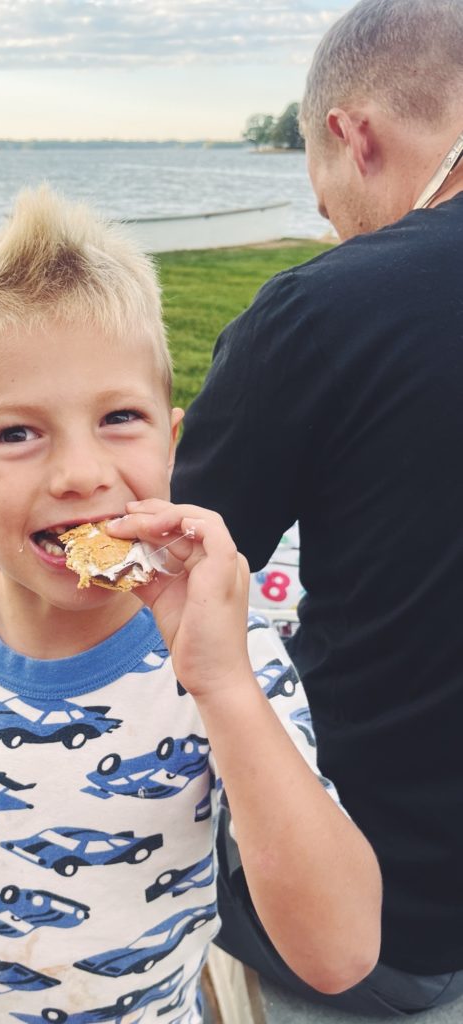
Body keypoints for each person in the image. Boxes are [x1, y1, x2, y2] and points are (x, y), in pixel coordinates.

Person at [0, 186, 381, 1024]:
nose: (80, 472)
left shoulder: (230, 651)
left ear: (172, 443)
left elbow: (341, 953)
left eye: (118, 417)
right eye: (16, 433)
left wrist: (221, 687)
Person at [171, 0, 463, 1014]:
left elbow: (178, 575)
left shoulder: (318, 312)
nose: (332, 218)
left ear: (355, 134)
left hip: (400, 922)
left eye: (324, 187)